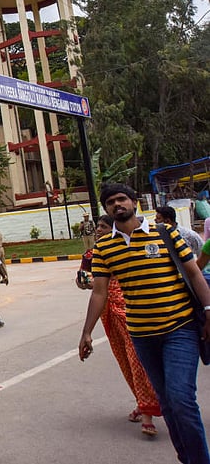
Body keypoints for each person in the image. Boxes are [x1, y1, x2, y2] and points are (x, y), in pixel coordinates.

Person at [79, 183, 210, 464]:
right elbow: (99, 291)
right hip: (142, 335)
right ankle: (186, 457)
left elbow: (194, 273)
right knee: (168, 403)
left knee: (181, 399)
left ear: (134, 202)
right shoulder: (104, 247)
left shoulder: (164, 233)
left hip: (180, 328)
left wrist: (209, 308)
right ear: (106, 209)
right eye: (111, 202)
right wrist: (86, 332)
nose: (117, 205)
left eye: (122, 199)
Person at [77, 214, 161, 436]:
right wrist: (84, 282)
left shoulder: (126, 247)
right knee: (124, 360)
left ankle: (148, 413)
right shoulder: (92, 254)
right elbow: (88, 283)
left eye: (104, 227)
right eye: (98, 227)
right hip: (107, 313)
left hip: (129, 310)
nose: (99, 231)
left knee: (137, 362)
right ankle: (141, 403)